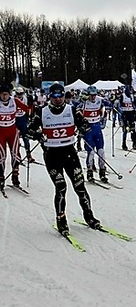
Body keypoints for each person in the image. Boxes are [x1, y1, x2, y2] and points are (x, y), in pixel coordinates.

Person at [27, 83, 101, 235]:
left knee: (80, 187)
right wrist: (38, 135)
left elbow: (85, 125)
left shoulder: (72, 110)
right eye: (55, 96)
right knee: (61, 187)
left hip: (69, 154)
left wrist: (82, 128)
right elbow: (28, 131)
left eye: (60, 96)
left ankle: (89, 216)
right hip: (52, 155)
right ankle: (61, 220)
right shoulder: (42, 112)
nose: (58, 99)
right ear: (50, 97)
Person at [0, 83, 32, 190]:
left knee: (16, 154)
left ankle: (15, 176)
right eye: (2, 94)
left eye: (6, 94)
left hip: (12, 132)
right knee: (1, 156)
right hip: (1, 133)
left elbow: (28, 109)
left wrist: (31, 104)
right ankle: (1, 177)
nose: (4, 96)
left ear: (9, 94)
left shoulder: (14, 101)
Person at [79, 85, 111, 183]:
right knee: (91, 152)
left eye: (94, 95)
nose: (93, 97)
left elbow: (110, 104)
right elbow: (75, 110)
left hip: (97, 128)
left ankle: (102, 172)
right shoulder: (83, 102)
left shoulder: (99, 100)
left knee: (101, 151)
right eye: (91, 95)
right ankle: (89, 172)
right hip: (88, 129)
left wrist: (108, 105)